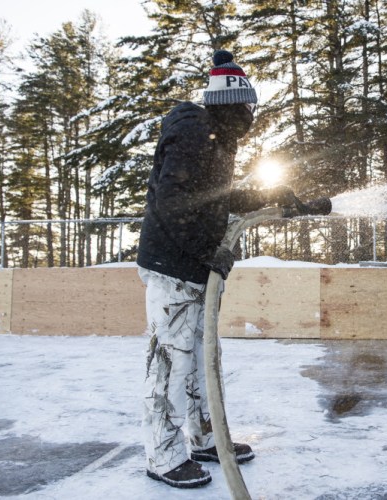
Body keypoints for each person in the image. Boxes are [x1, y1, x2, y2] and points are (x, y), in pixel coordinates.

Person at [136, 49, 299, 489]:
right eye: (248, 108)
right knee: (171, 362)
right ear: (231, 105)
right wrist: (207, 253)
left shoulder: (217, 142)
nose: (252, 118)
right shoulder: (194, 135)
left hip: (197, 270)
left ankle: (205, 438)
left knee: (203, 358)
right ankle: (163, 456)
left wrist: (278, 199)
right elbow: (174, 204)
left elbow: (217, 199)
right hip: (174, 268)